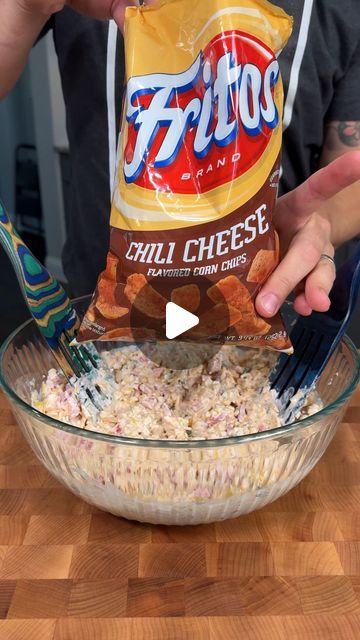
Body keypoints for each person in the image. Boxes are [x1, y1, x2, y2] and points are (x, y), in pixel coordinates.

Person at [1, 0, 360, 321]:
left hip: (269, 307)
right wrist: (23, 7)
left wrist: (324, 220)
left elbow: (350, 164)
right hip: (100, 308)